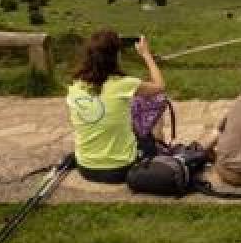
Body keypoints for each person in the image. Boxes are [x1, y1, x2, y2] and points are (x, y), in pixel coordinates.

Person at [65, 31, 166, 183]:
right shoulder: (123, 84)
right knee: (157, 98)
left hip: (85, 167)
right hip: (121, 168)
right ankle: (158, 144)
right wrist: (146, 55)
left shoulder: (74, 85)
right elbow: (160, 86)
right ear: (115, 56)